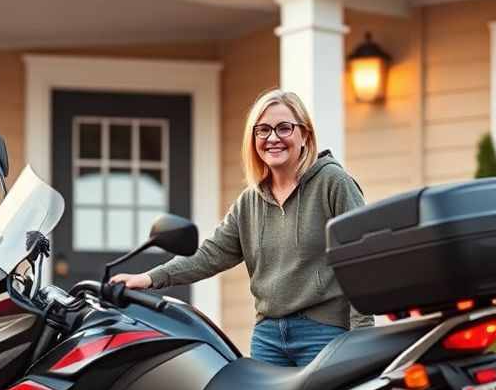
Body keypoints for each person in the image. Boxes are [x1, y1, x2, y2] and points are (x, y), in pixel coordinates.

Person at [111, 88, 373, 367]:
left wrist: (362, 334)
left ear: (304, 135)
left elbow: (361, 258)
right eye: (263, 130)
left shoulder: (332, 182)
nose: (273, 138)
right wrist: (149, 278)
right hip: (268, 337)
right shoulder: (250, 200)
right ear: (254, 139)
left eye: (284, 128)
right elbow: (209, 255)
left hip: (325, 333)